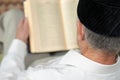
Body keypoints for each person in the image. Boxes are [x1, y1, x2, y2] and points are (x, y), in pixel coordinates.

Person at [1, 0, 120, 80]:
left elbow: (6, 77)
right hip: (67, 59)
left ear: (81, 31)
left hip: (33, 64)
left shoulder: (41, 75)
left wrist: (19, 42)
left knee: (13, 16)